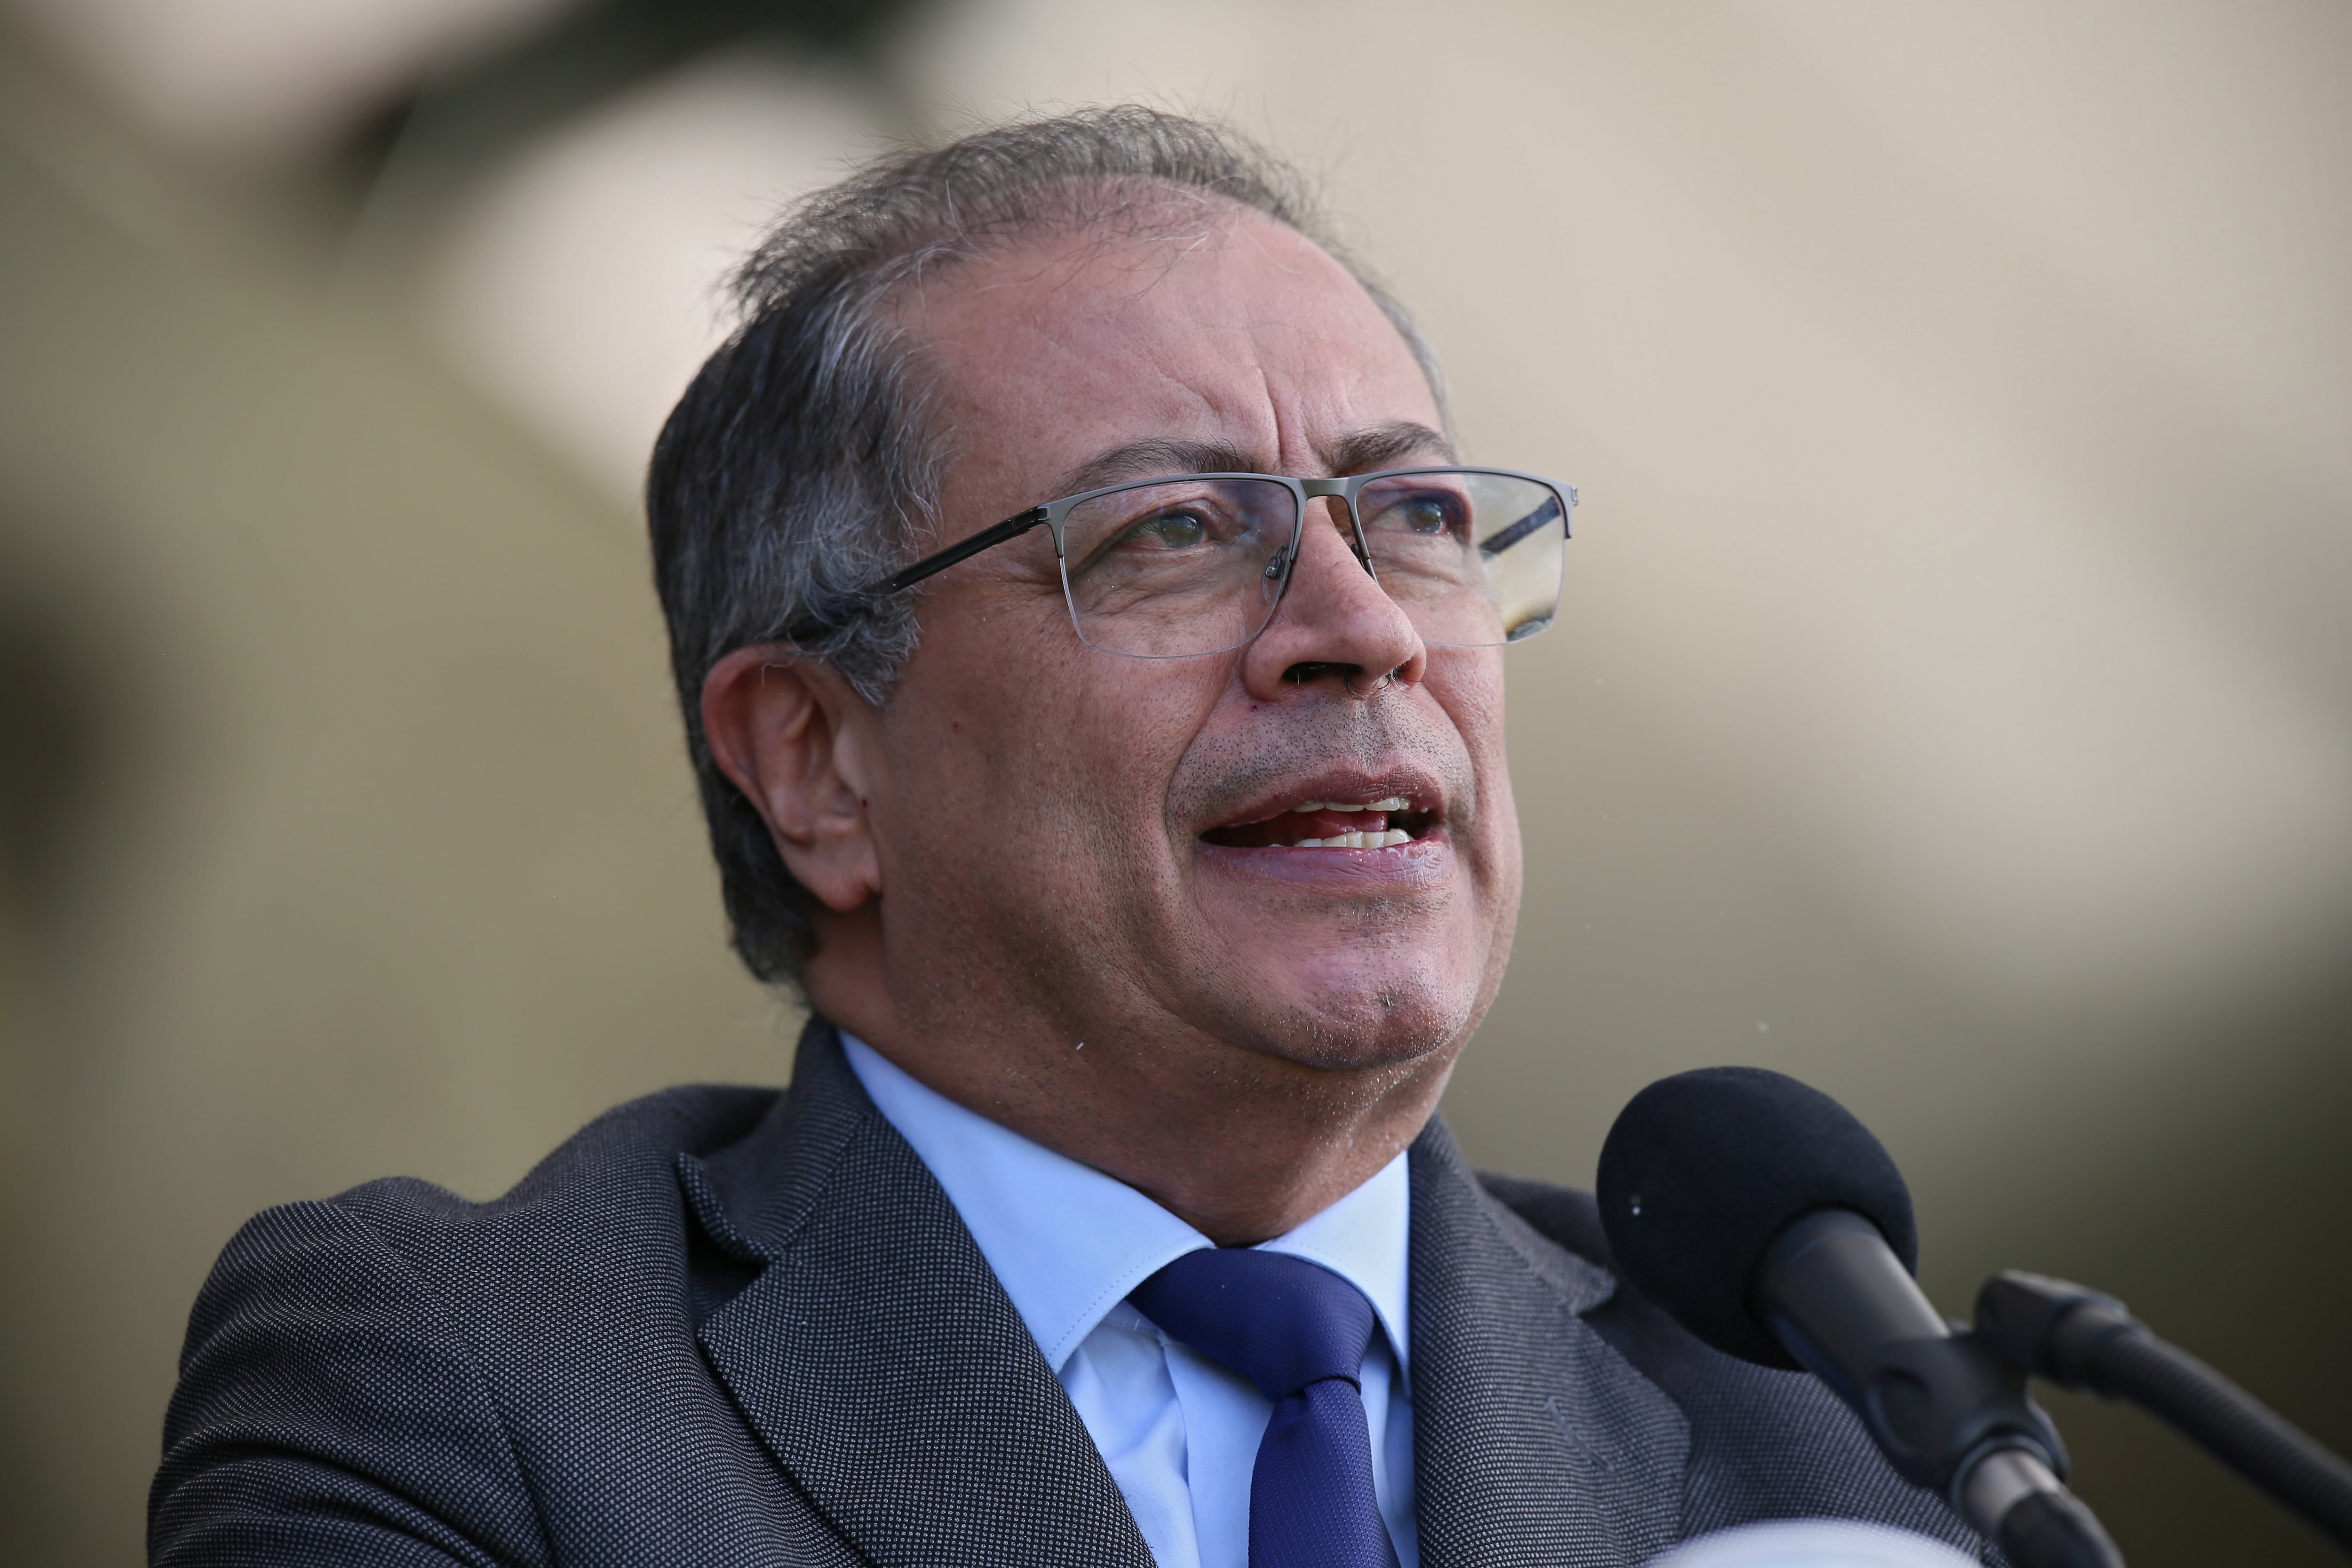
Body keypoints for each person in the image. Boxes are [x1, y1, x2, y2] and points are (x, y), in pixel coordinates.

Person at [151, 107, 1991, 1568]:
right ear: (815, 762)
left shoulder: (1830, 1423)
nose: (1358, 622)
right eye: (1173, 532)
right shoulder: (460, 1381)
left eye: (1415, 510)